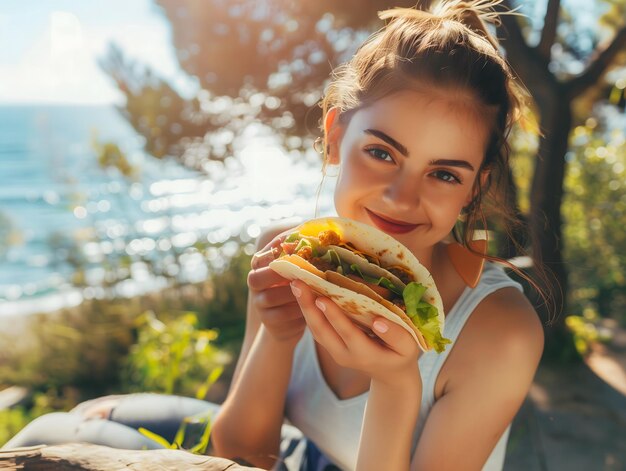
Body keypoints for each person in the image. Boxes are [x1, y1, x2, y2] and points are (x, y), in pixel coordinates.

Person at [3, 2, 546, 470]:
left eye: (445, 173)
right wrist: (277, 336)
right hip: (290, 452)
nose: (403, 198)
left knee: (54, 439)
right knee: (60, 424)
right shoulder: (287, 249)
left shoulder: (499, 331)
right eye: (381, 152)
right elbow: (245, 452)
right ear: (335, 137)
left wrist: (398, 381)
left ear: (476, 187)